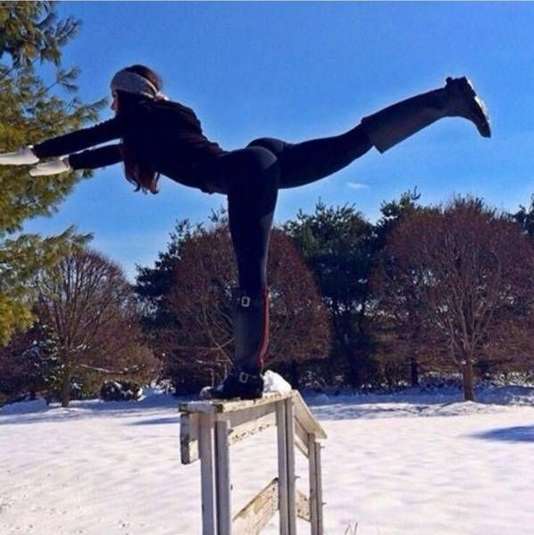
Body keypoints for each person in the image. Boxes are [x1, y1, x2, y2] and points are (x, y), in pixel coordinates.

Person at [0, 64, 491, 399]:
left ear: (125, 96)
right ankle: (447, 99)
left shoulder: (139, 121)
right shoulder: (160, 122)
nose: (111, 107)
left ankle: (246, 375)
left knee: (251, 275)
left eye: (113, 99)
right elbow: (112, 149)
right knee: (352, 142)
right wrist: (68, 164)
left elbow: (100, 136)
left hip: (246, 172)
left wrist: (38, 152)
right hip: (260, 156)